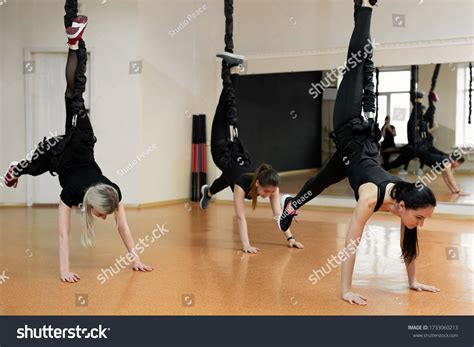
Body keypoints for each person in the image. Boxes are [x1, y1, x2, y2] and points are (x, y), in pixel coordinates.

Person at [278, 0, 440, 305]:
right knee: (358, 62)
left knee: (322, 180)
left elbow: (410, 240)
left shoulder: (404, 206)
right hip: (351, 128)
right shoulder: (370, 199)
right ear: (403, 205)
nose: (421, 224)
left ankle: (290, 207)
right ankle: (365, 6)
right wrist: (346, 290)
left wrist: (414, 281)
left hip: (357, 152)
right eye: (420, 217)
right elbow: (351, 243)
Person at [2, 0, 153, 283]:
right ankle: (74, 41)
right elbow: (62, 233)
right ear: (96, 202)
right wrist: (63, 271)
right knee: (75, 92)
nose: (105, 218)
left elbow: (122, 228)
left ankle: (16, 169)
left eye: (104, 215)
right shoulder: (74, 192)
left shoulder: (110, 194)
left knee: (33, 165)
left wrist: (137, 259)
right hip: (74, 145)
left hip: (68, 151)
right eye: (103, 214)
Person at [199, 53, 303, 253]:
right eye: (266, 192)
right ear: (257, 184)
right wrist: (245, 245)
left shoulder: (271, 186)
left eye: (271, 193)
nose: (268, 196)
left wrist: (290, 238)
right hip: (222, 151)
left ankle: (208, 192)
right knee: (226, 105)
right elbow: (240, 217)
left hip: (231, 162)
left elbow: (278, 217)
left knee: (226, 177)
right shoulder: (241, 185)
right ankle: (233, 70)